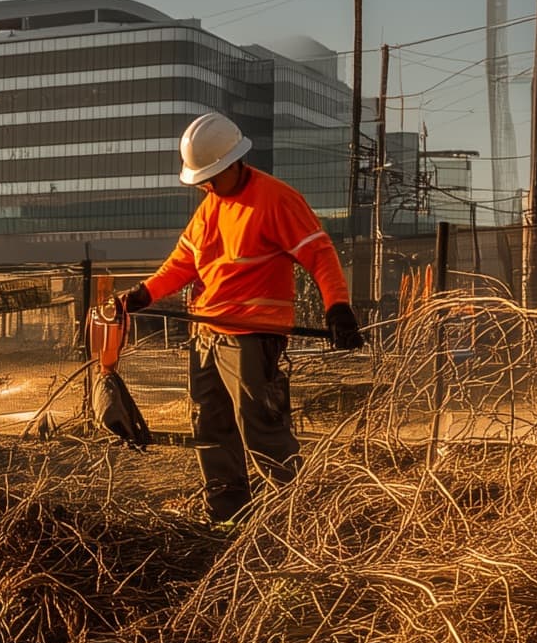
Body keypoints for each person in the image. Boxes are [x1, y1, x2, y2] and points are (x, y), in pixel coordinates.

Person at [114, 112, 364, 523]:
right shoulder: (210, 208)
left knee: (261, 428)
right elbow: (182, 264)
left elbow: (318, 255)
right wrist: (144, 293)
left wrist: (337, 307)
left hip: (252, 337)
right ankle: (226, 514)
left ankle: (289, 518)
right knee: (210, 427)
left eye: (211, 176)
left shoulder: (276, 199)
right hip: (206, 335)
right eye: (202, 179)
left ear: (234, 162)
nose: (206, 185)